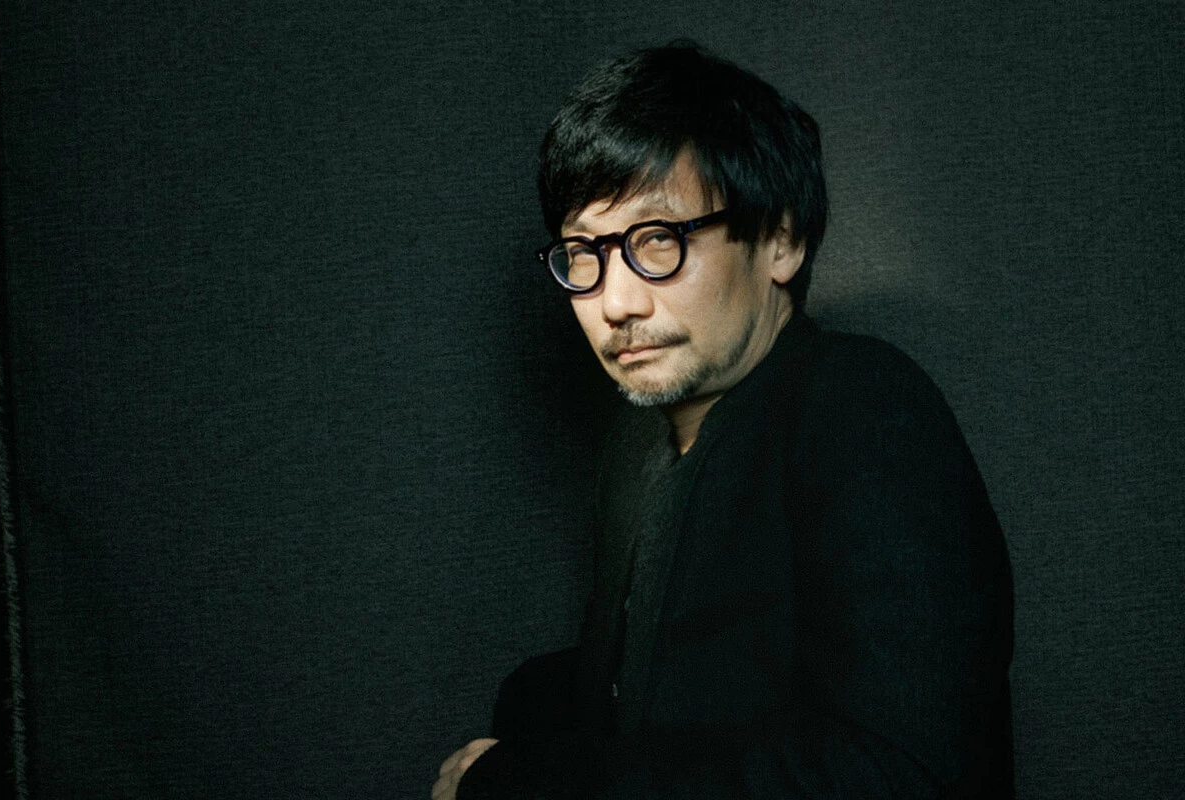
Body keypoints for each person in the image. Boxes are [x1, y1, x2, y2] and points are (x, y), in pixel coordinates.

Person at [432, 41, 1014, 799]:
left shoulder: (863, 406)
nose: (616, 303)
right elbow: (669, 684)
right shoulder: (636, 449)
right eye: (583, 252)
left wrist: (522, 780)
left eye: (656, 240)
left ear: (780, 240)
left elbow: (900, 771)